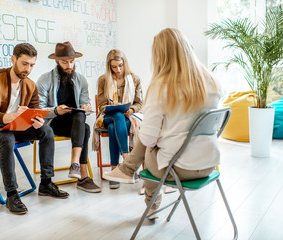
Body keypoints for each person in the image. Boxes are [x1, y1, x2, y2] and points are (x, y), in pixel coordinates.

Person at [103, 28, 220, 219]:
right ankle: (127, 170)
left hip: (179, 168)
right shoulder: (213, 81)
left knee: (150, 146)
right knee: (155, 142)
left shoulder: (162, 86)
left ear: (161, 55)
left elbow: (149, 139)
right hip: (209, 163)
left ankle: (150, 202)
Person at [0, 43, 69, 215]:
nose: (28, 69)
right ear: (13, 59)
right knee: (6, 138)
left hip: (14, 127)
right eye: (24, 63)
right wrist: (14, 115)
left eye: (32, 65)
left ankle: (46, 183)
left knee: (46, 131)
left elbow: (33, 111)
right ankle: (11, 194)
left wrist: (37, 121)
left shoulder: (30, 85)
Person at [37, 41, 101, 193]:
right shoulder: (44, 80)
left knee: (81, 120)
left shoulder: (81, 80)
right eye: (65, 62)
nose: (69, 65)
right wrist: (56, 111)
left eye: (72, 61)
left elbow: (85, 102)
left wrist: (87, 107)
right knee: (83, 127)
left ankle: (75, 164)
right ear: (56, 61)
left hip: (75, 124)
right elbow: (38, 110)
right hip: (54, 124)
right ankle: (83, 176)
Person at [95, 49, 143, 189]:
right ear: (109, 66)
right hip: (107, 116)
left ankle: (115, 169)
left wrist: (131, 109)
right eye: (114, 66)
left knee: (113, 127)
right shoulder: (103, 80)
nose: (118, 69)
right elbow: (102, 106)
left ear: (125, 63)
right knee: (116, 116)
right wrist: (114, 106)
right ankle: (128, 164)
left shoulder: (135, 79)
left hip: (127, 117)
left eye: (120, 65)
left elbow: (140, 103)